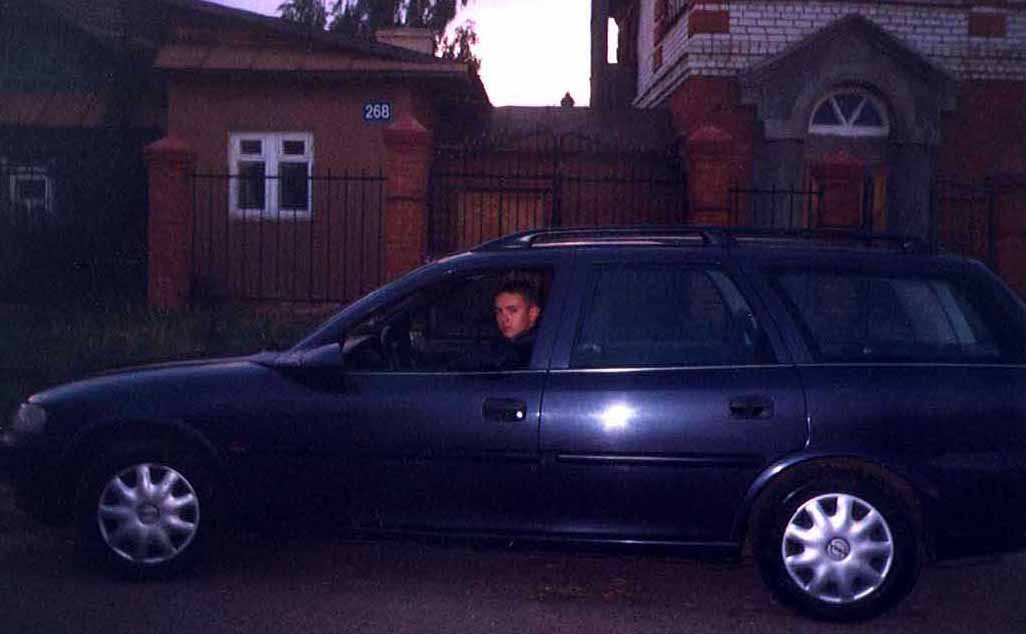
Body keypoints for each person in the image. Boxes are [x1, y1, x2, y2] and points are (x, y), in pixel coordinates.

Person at [492, 280, 542, 368]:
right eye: (498, 311)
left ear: (532, 313)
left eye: (512, 310)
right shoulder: (500, 347)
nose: (504, 319)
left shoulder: (532, 351)